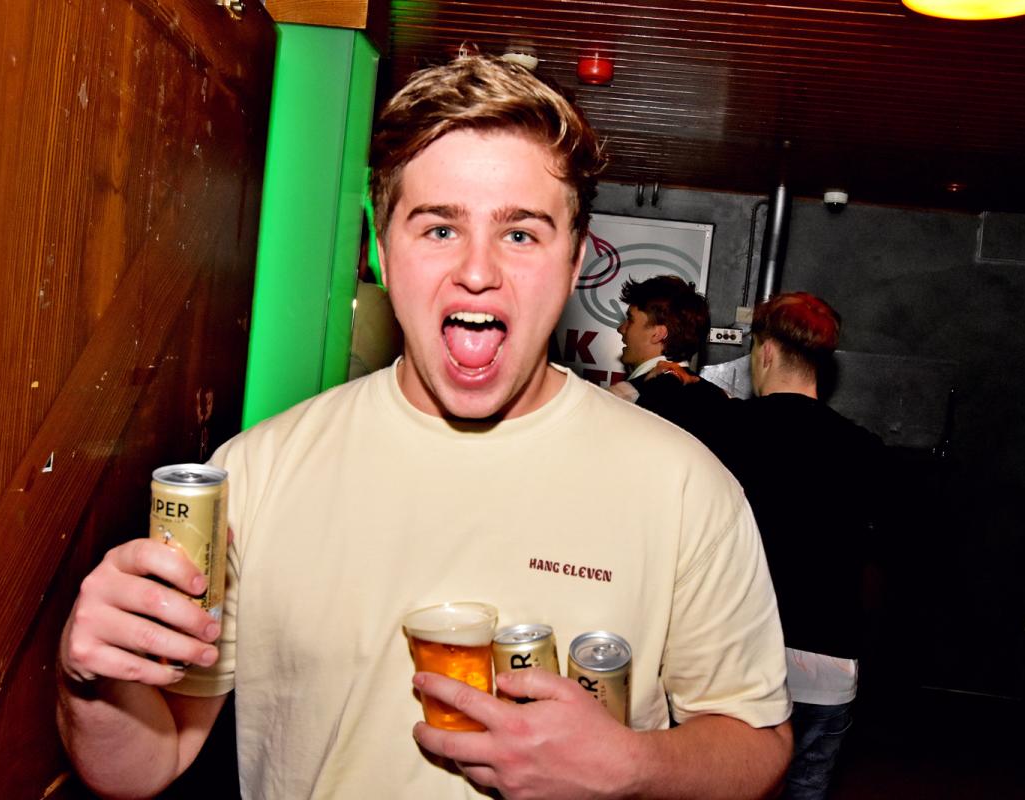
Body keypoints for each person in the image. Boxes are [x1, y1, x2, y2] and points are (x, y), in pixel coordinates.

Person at [56, 54, 792, 799]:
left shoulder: (680, 484)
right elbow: (142, 766)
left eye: (521, 234)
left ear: (574, 260)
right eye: (440, 228)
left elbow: (757, 745)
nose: (477, 271)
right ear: (381, 248)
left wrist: (631, 768)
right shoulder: (258, 472)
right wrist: (90, 679)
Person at [714, 292, 886, 800]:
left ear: (766, 351)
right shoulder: (865, 449)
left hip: (739, 656)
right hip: (828, 664)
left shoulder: (727, 431)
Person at [609, 275, 729, 449]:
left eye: (630, 320)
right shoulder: (718, 400)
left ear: (657, 334)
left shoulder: (623, 400)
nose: (621, 328)